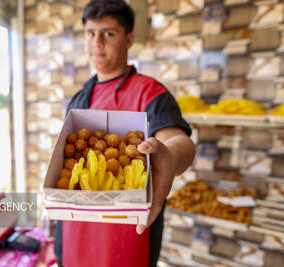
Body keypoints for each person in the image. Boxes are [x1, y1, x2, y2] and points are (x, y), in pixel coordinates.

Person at [54, 0, 196, 266]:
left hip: (127, 246)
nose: (97, 42)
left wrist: (171, 157)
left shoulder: (151, 93)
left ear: (129, 39)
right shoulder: (78, 99)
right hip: (73, 244)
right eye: (90, 33)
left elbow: (178, 140)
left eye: (108, 34)